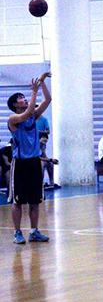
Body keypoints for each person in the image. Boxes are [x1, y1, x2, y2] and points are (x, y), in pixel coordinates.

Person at [7, 71, 52, 244]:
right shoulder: (13, 119)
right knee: (18, 201)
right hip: (20, 164)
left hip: (34, 162)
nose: (24, 99)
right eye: (21, 98)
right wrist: (34, 91)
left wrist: (43, 82)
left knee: (35, 201)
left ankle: (34, 231)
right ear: (14, 104)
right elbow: (26, 114)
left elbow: (47, 100)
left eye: (24, 97)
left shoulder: (33, 115)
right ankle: (17, 232)